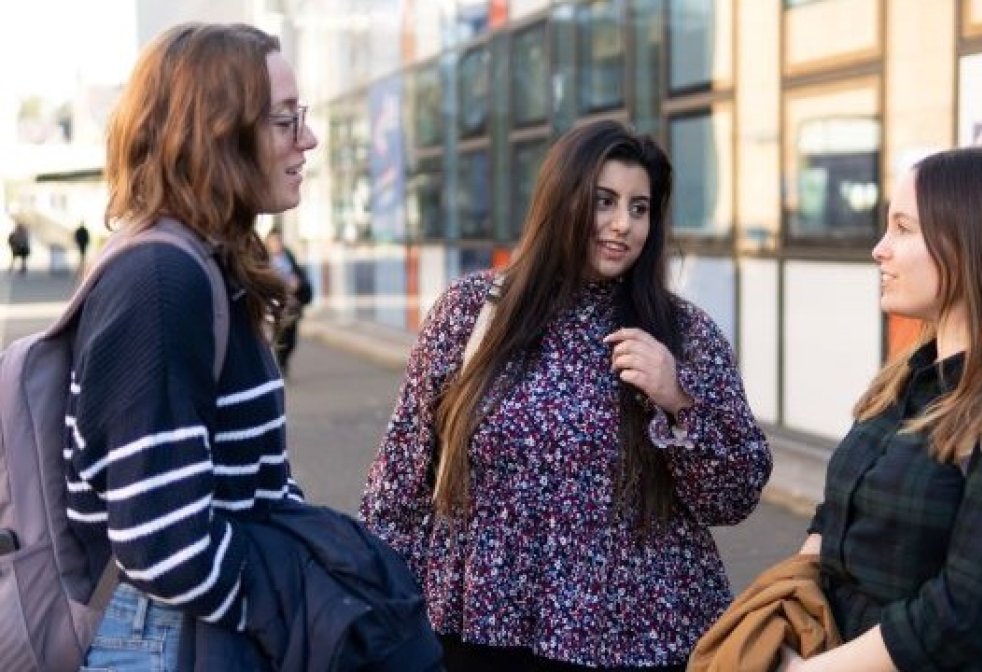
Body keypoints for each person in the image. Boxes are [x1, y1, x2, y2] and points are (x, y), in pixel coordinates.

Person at [361, 120, 772, 671]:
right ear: (562, 200)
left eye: (639, 207)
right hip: (483, 626)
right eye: (604, 202)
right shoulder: (470, 314)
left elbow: (735, 496)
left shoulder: (683, 334)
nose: (622, 225)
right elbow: (399, 486)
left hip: (637, 637)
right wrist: (384, 619)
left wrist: (677, 400)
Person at [777, 146, 982, 671]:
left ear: (971, 245)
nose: (879, 249)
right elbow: (836, 514)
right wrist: (788, 610)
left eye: (903, 228)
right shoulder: (905, 383)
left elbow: (965, 612)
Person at [67, 22, 325, 669]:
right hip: (169, 639)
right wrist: (293, 606)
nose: (308, 140)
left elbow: (255, 481)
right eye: (285, 120)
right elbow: (163, 542)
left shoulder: (208, 265)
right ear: (217, 133)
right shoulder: (161, 281)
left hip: (199, 626)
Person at [264, 227, 306, 376]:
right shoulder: (264, 259)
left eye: (279, 240)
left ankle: (283, 361)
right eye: (273, 240)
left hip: (291, 304)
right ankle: (279, 365)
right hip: (272, 305)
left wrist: (298, 284)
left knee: (291, 338)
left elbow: (300, 276)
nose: (276, 243)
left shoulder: (288, 257)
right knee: (278, 336)